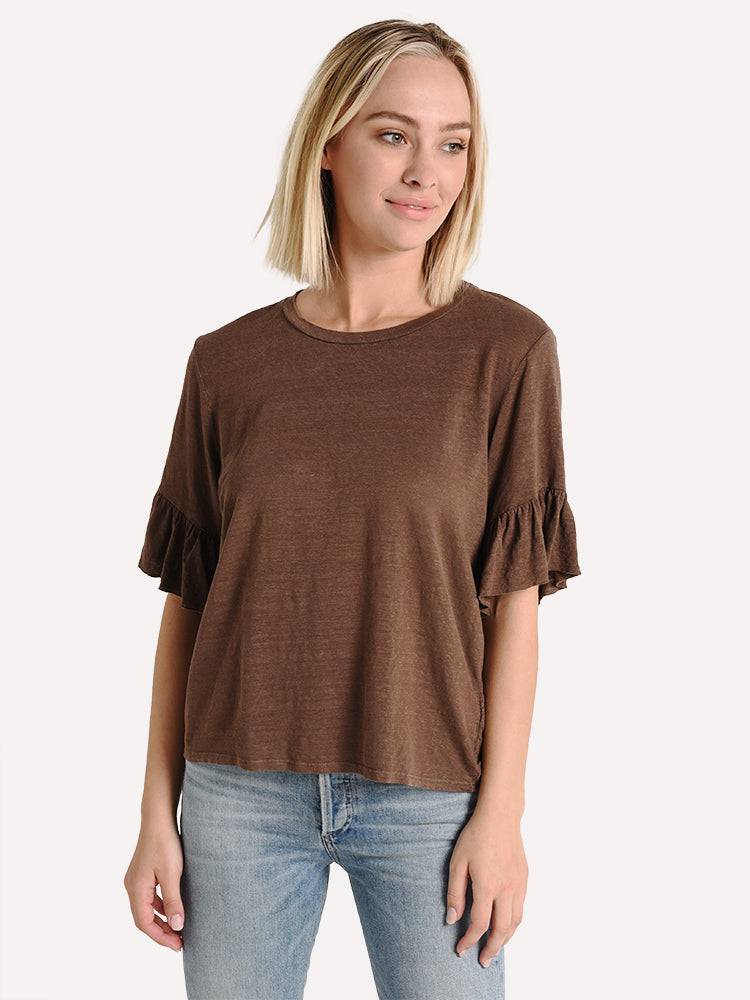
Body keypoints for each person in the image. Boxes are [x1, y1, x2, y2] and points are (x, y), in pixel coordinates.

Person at [123, 18, 581, 1000]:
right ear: (328, 145)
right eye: (393, 134)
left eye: (453, 143)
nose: (426, 172)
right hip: (237, 795)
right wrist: (158, 810)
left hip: (430, 799)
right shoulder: (228, 363)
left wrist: (501, 816)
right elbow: (188, 603)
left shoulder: (507, 353)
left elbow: (517, 606)